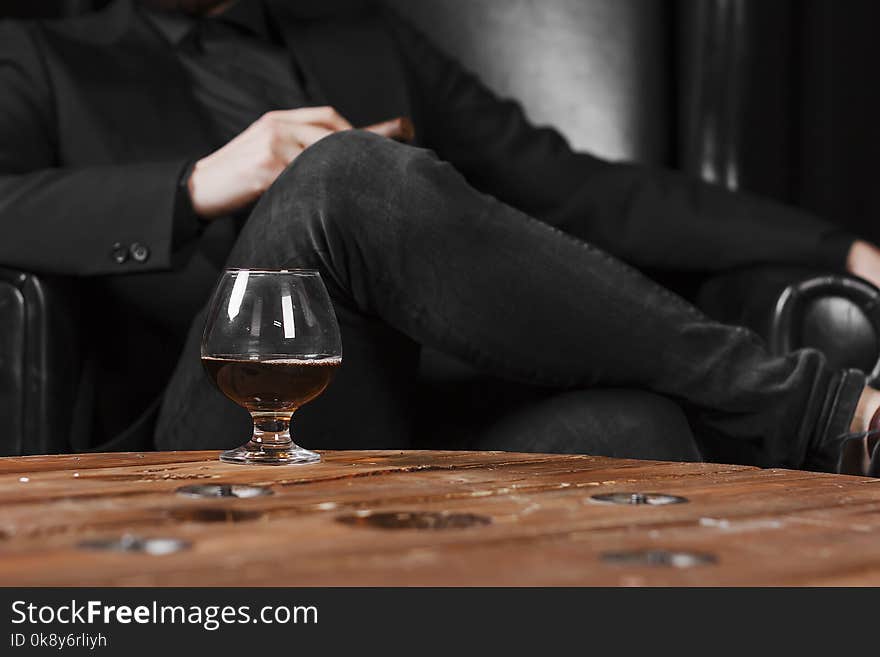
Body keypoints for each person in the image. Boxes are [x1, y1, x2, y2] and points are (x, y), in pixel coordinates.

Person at [0, 0, 878, 473]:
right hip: (215, 424)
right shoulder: (44, 54)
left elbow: (584, 189)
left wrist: (840, 246)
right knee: (344, 173)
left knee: (631, 428)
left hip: (410, 419)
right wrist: (194, 186)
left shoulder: (362, 35)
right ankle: (821, 414)